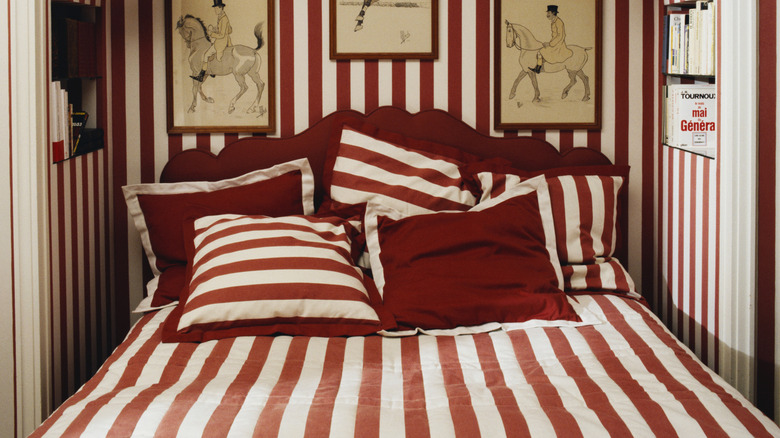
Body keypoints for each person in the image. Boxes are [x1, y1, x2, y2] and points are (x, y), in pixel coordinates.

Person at [192, 0, 233, 82]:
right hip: (222, 40)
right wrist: (214, 29)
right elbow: (229, 30)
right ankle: (211, 72)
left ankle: (201, 76)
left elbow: (222, 35)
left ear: (221, 8)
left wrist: (212, 34)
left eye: (216, 8)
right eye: (215, 9)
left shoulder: (223, 19)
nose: (215, 10)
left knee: (206, 55)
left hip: (221, 42)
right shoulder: (221, 16)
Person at [529, 5, 573, 74]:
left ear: (553, 13)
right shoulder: (553, 22)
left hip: (558, 45)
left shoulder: (558, 22)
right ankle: (538, 67)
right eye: (547, 13)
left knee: (541, 52)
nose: (547, 15)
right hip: (554, 43)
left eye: (548, 13)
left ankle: (538, 68)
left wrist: (549, 44)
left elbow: (560, 36)